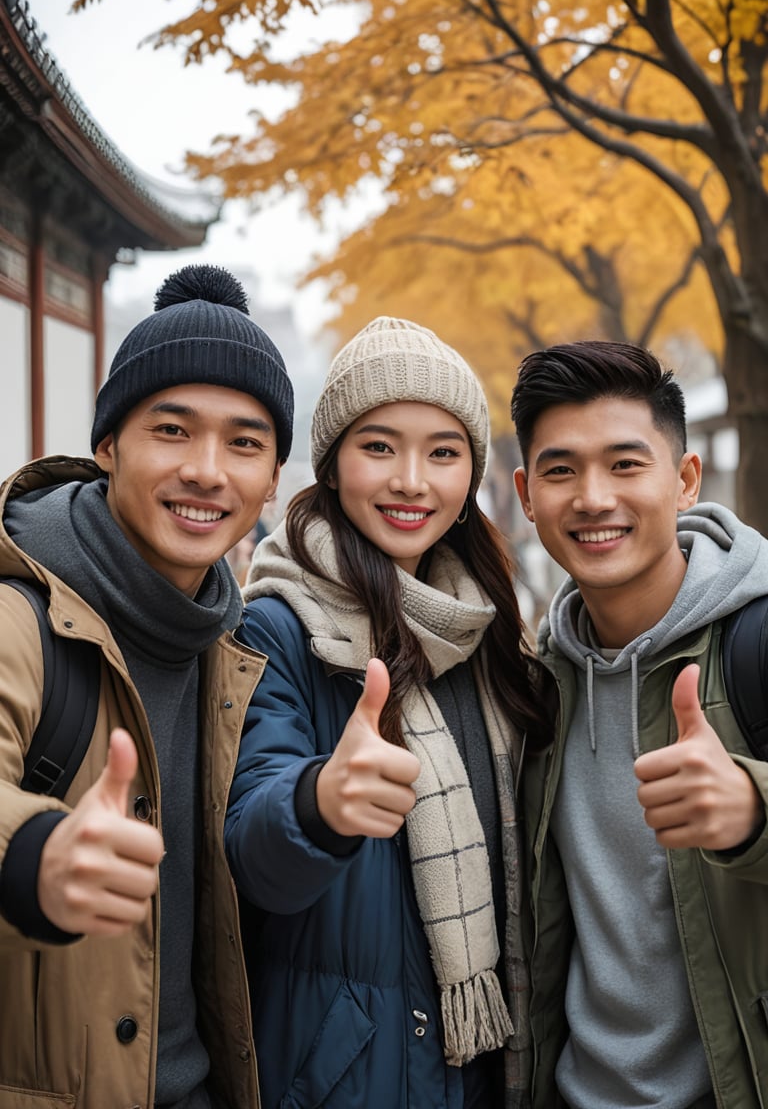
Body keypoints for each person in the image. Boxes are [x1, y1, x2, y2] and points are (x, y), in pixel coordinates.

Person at [225, 316, 553, 1109]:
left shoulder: (487, 627)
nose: (412, 480)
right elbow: (249, 844)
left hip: (485, 1066)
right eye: (378, 447)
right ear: (332, 465)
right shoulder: (277, 624)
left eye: (443, 452)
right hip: (348, 1073)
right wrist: (320, 806)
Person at [0, 264, 294, 1109]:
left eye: (245, 442)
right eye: (172, 430)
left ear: (273, 477)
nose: (208, 471)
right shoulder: (22, 617)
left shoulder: (234, 647)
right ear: (107, 446)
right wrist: (33, 855)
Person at [510, 340, 768, 1109]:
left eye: (626, 464)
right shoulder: (535, 685)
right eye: (561, 470)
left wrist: (755, 812)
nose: (593, 498)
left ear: (684, 480)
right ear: (526, 494)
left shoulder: (755, 644)